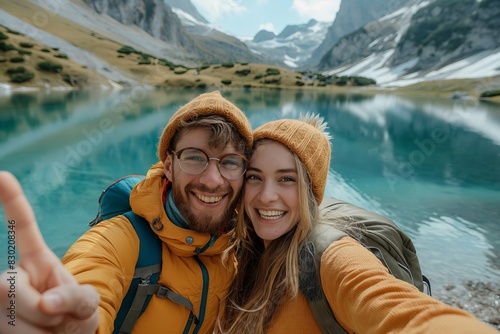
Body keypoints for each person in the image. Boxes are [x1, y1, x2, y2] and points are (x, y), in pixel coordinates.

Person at [0, 90, 253, 333]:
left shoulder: (241, 246)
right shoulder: (119, 239)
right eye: (194, 157)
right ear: (168, 166)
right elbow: (89, 277)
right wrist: (71, 321)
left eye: (230, 162)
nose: (212, 180)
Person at [218, 114, 498, 334]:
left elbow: (402, 312)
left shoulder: (331, 256)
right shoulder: (242, 248)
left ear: (311, 192)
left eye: (287, 179)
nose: (266, 197)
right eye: (255, 177)